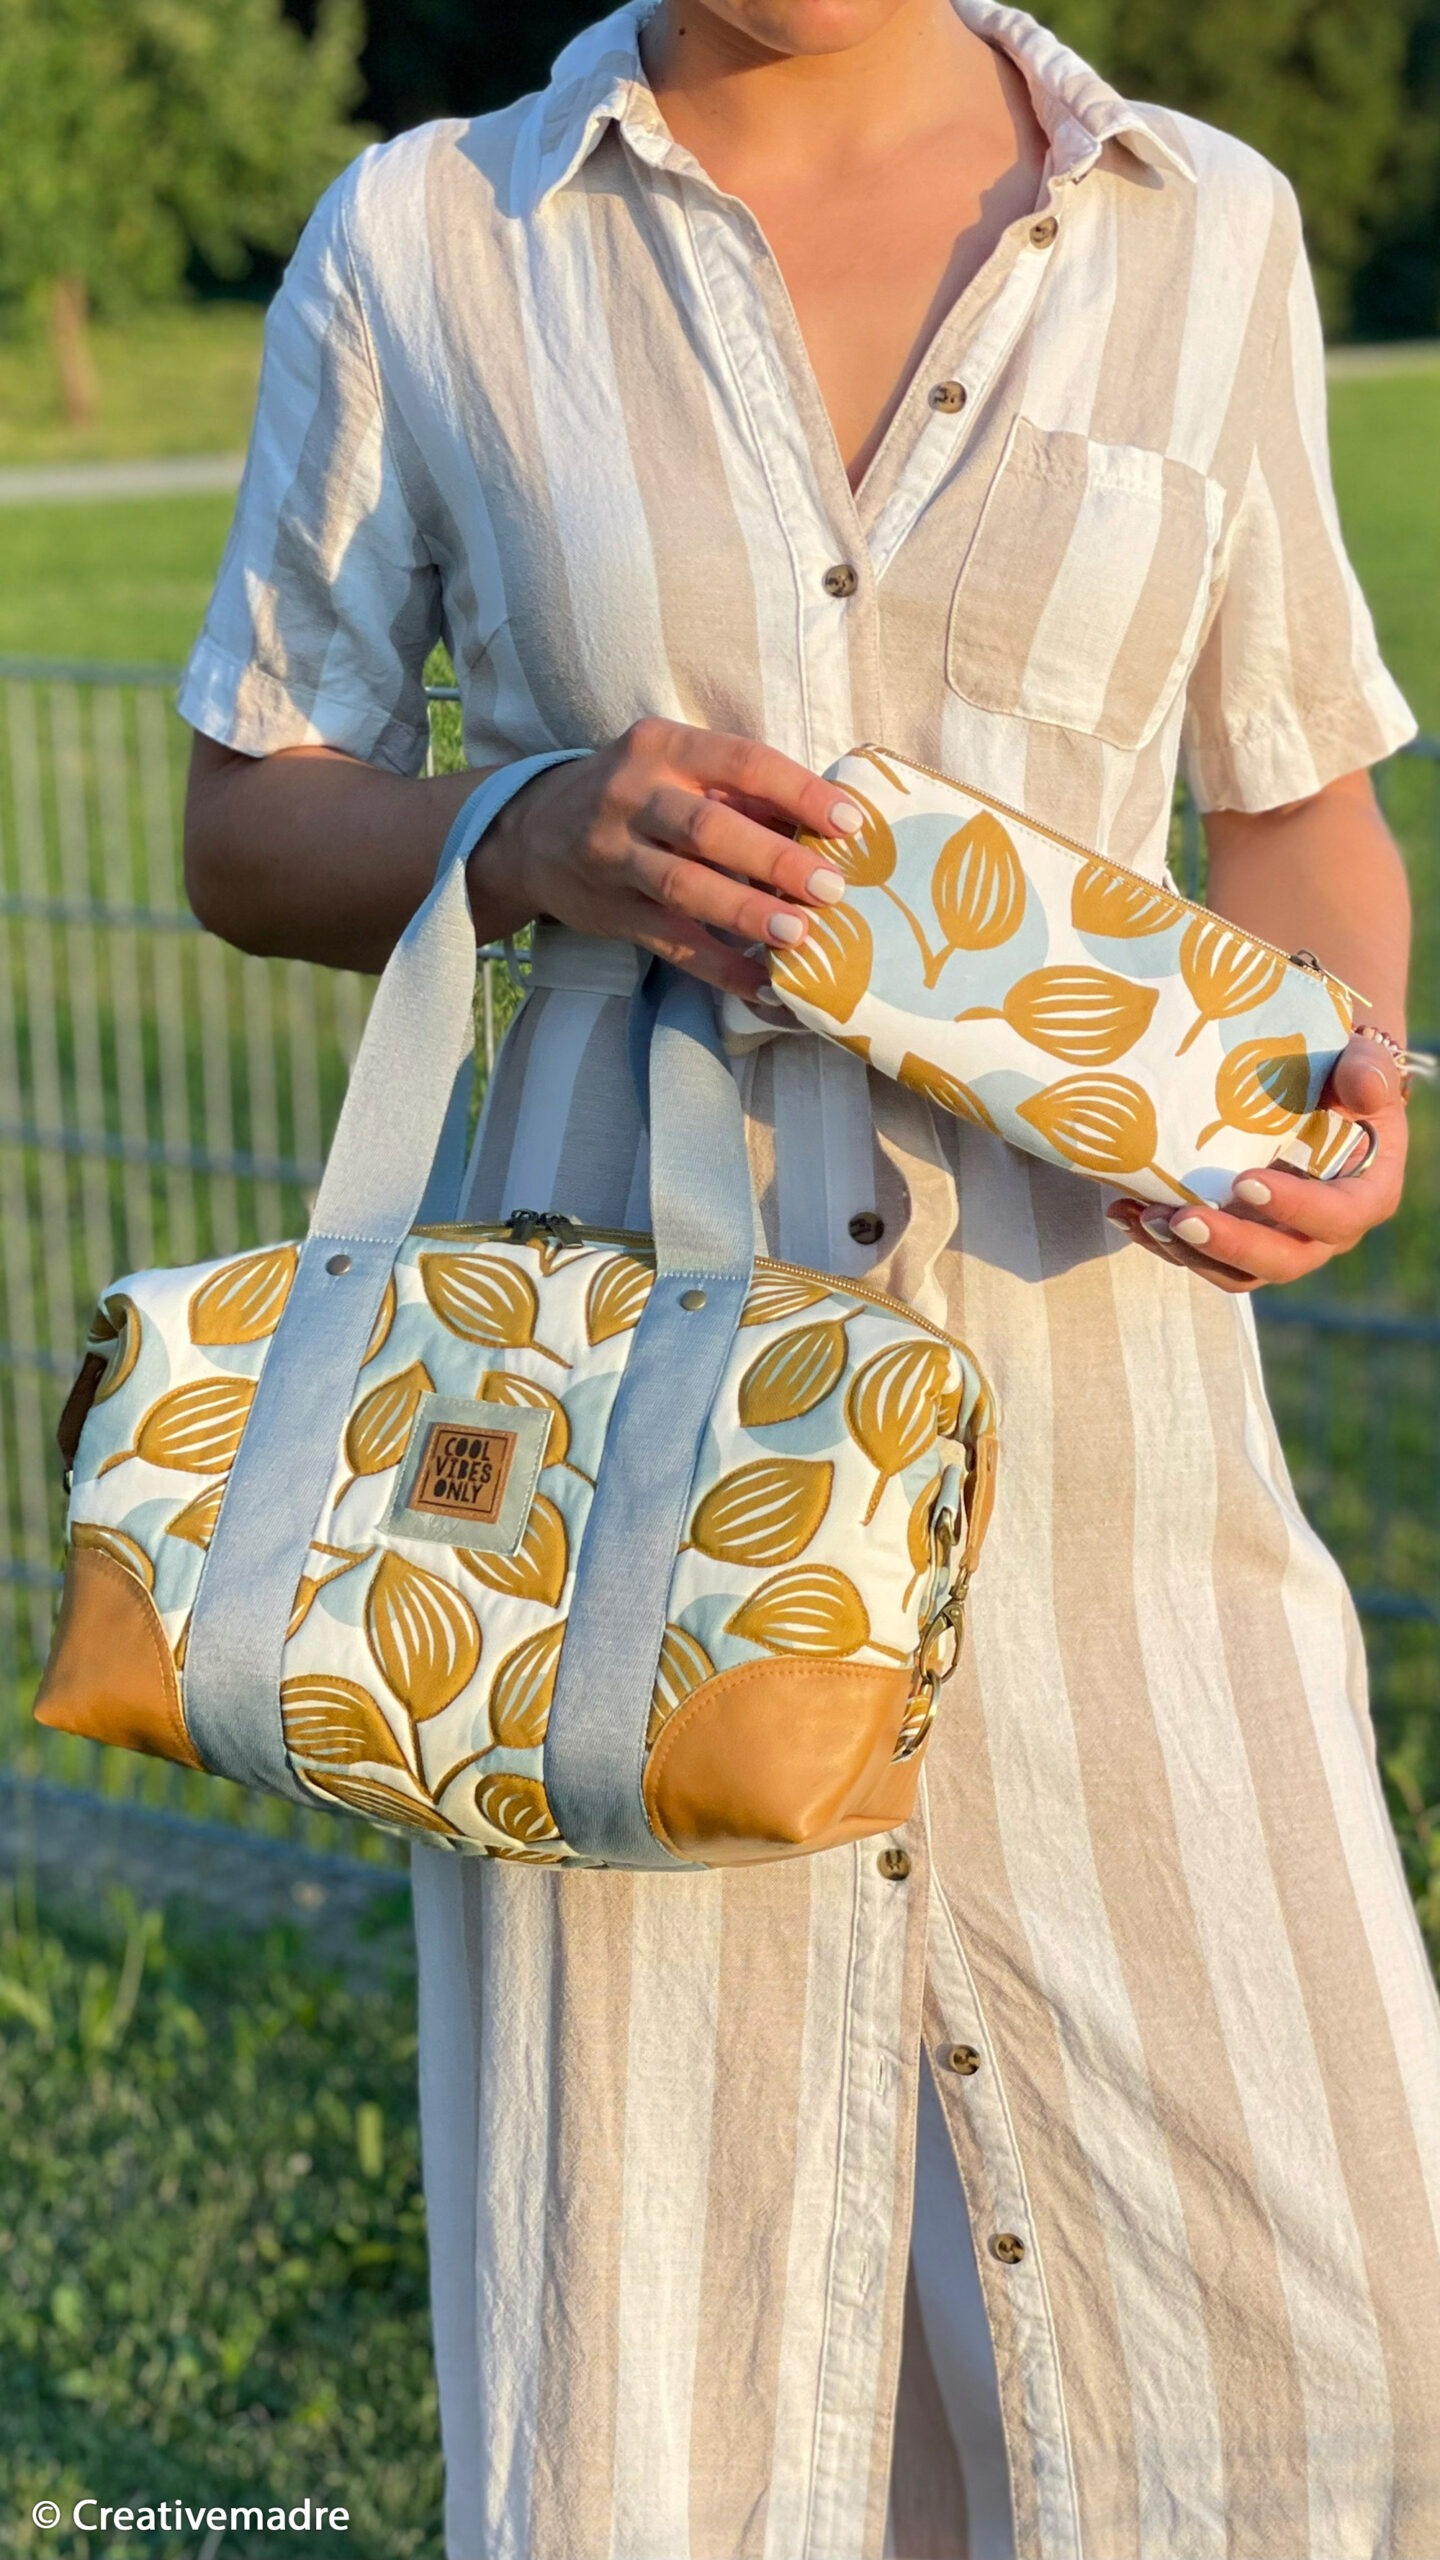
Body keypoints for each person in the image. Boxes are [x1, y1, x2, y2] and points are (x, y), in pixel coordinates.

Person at [180, 1, 1440, 2552]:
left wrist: (1339, 1080)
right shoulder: (435, 237)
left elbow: (1297, 796)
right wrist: (528, 825)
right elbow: (249, 816)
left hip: (1116, 1474)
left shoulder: (1198, 225)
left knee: (1337, 2364)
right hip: (627, 1516)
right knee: (673, 2382)